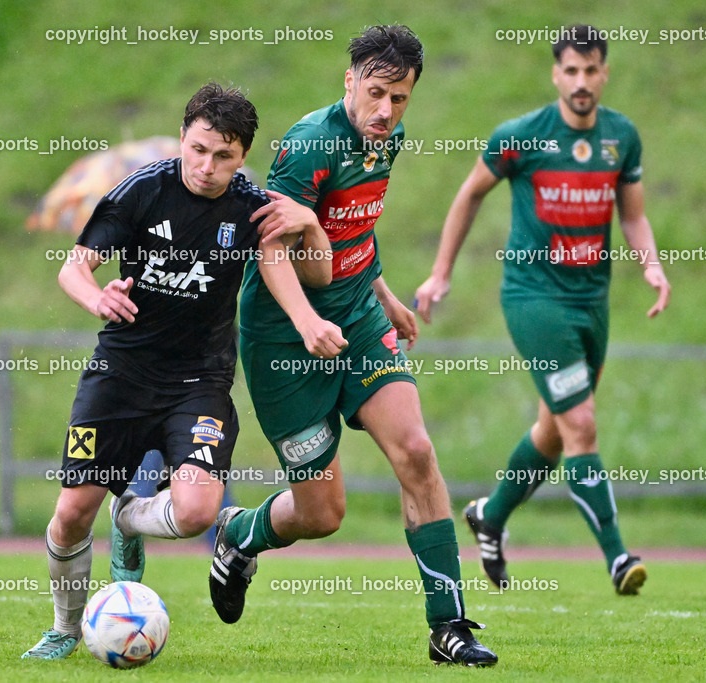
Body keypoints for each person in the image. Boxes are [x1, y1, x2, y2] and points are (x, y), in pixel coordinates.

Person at [207, 25, 498, 667]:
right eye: (375, 94)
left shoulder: (386, 139)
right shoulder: (308, 145)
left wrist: (383, 294)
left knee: (417, 452)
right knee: (322, 513)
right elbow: (271, 246)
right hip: (286, 339)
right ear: (348, 82)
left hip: (360, 322)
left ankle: (447, 626)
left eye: (400, 98)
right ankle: (238, 536)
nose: (387, 111)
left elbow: (355, 224)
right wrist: (308, 321)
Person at [23, 82, 344, 660]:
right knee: (71, 514)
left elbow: (287, 270)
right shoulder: (140, 192)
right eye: (198, 149)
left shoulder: (251, 207)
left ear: (243, 154)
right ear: (182, 139)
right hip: (120, 374)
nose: (206, 166)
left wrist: (305, 322)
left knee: (198, 511)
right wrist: (97, 298)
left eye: (223, 156)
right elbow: (75, 267)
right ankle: (65, 629)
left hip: (199, 380)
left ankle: (129, 517)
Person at [415, 24, 671, 596]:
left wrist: (651, 265)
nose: (581, 82)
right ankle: (617, 557)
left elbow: (632, 215)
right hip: (534, 299)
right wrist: (440, 273)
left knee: (553, 430)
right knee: (581, 423)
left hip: (592, 303)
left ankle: (491, 515)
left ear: (604, 73)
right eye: (571, 71)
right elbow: (470, 193)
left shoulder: (620, 138)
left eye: (591, 70)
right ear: (556, 74)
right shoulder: (521, 136)